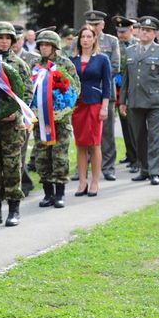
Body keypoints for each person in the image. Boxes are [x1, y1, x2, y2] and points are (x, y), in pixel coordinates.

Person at [0, 22, 32, 226]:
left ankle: (13, 209)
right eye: (0, 38)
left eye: (7, 38)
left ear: (12, 41)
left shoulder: (19, 64)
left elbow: (27, 93)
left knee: (12, 165)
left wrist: (16, 111)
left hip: (12, 124)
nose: (4, 41)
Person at [119, 16, 159, 186]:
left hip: (154, 101)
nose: (144, 33)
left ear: (155, 33)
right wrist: (122, 101)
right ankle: (144, 169)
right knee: (139, 137)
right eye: (142, 29)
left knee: (154, 137)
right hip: (135, 101)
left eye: (148, 30)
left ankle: (154, 172)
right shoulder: (130, 51)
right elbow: (126, 78)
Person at [34, 30, 80, 208]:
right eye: (41, 45)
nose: (44, 48)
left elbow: (75, 89)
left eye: (47, 45)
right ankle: (48, 193)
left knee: (59, 156)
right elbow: (29, 89)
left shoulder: (65, 64)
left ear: (54, 46)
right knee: (42, 156)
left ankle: (60, 193)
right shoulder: (35, 64)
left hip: (60, 121)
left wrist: (63, 109)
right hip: (41, 120)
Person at [70, 25, 111, 197]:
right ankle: (82, 182)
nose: (85, 40)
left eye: (89, 36)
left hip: (95, 105)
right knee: (80, 144)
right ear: (79, 40)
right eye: (83, 37)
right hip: (77, 106)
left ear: (94, 39)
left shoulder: (102, 59)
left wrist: (105, 106)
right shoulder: (72, 60)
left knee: (94, 144)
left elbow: (107, 84)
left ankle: (95, 181)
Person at [80, 10, 119, 182]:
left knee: (106, 134)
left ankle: (108, 167)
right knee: (83, 133)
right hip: (84, 96)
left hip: (104, 94)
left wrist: (100, 77)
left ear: (102, 25)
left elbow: (116, 65)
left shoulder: (111, 41)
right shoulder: (81, 40)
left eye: (96, 24)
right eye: (91, 24)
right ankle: (82, 169)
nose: (94, 27)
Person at [12, 30, 41, 196]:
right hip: (6, 112)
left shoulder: (32, 59)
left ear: (23, 40)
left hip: (27, 111)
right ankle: (24, 182)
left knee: (21, 149)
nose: (15, 43)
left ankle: (21, 185)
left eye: (17, 40)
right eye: (12, 40)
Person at [111, 15, 139, 173]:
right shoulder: (115, 45)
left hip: (134, 89)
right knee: (124, 124)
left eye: (124, 31)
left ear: (131, 30)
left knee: (134, 124)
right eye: (119, 31)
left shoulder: (137, 44)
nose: (121, 34)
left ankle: (138, 158)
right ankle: (131, 154)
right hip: (120, 89)